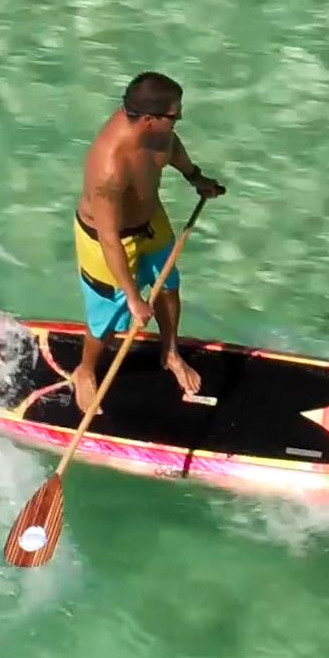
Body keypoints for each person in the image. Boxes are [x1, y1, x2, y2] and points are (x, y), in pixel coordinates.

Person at [71, 71, 224, 410]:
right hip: (106, 240)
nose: (179, 119)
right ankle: (84, 370)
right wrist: (132, 296)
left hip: (150, 222)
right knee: (109, 317)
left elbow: (171, 148)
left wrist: (195, 177)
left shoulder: (158, 132)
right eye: (174, 116)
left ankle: (169, 353)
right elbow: (109, 238)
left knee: (169, 286)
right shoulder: (109, 165)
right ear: (148, 120)